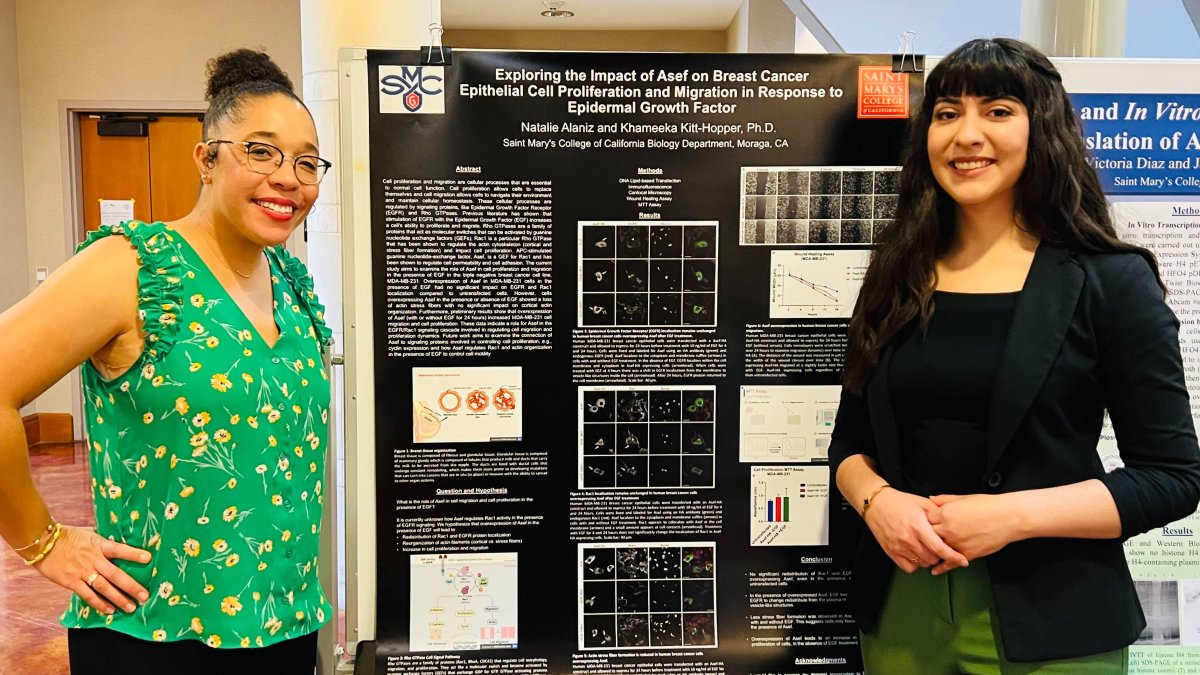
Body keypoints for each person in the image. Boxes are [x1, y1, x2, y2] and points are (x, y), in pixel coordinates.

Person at [830, 37, 1200, 673]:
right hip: (900, 611)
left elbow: (1172, 477)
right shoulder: (895, 275)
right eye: (947, 113)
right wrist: (877, 504)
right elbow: (849, 446)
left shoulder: (1109, 279)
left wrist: (1010, 518)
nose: (966, 134)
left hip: (1054, 617)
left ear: (1043, 130)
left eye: (997, 111)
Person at [0, 49, 333, 673]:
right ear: (206, 159)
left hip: (283, 629)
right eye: (260, 151)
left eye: (307, 162)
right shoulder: (132, 266)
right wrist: (42, 544)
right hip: (155, 637)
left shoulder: (291, 282)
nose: (288, 177)